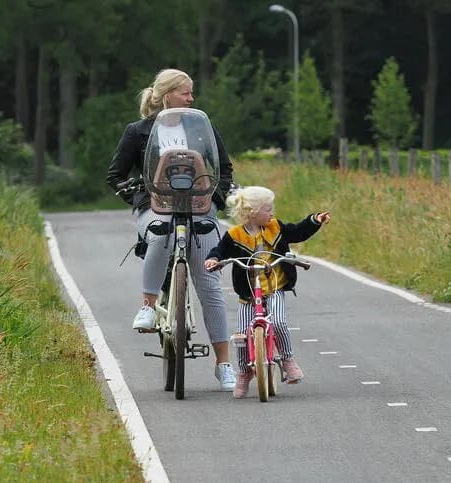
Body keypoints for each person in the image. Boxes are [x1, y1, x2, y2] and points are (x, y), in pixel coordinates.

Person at [106, 69, 236, 391]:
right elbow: (115, 175)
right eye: (185, 93)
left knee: (209, 283)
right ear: (167, 96)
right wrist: (139, 197)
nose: (191, 99)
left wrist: (215, 200)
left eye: (191, 93)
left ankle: (224, 365)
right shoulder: (138, 132)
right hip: (156, 207)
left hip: (199, 206)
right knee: (161, 231)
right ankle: (148, 307)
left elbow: (224, 167)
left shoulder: (201, 129)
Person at [204, 186, 331, 398]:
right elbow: (220, 250)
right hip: (249, 295)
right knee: (244, 334)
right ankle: (245, 372)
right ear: (253, 212)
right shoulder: (234, 235)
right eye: (268, 209)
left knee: (279, 322)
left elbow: (298, 231)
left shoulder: (276, 227)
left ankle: (288, 359)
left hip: (274, 288)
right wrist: (214, 259)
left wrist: (314, 220)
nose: (272, 213)